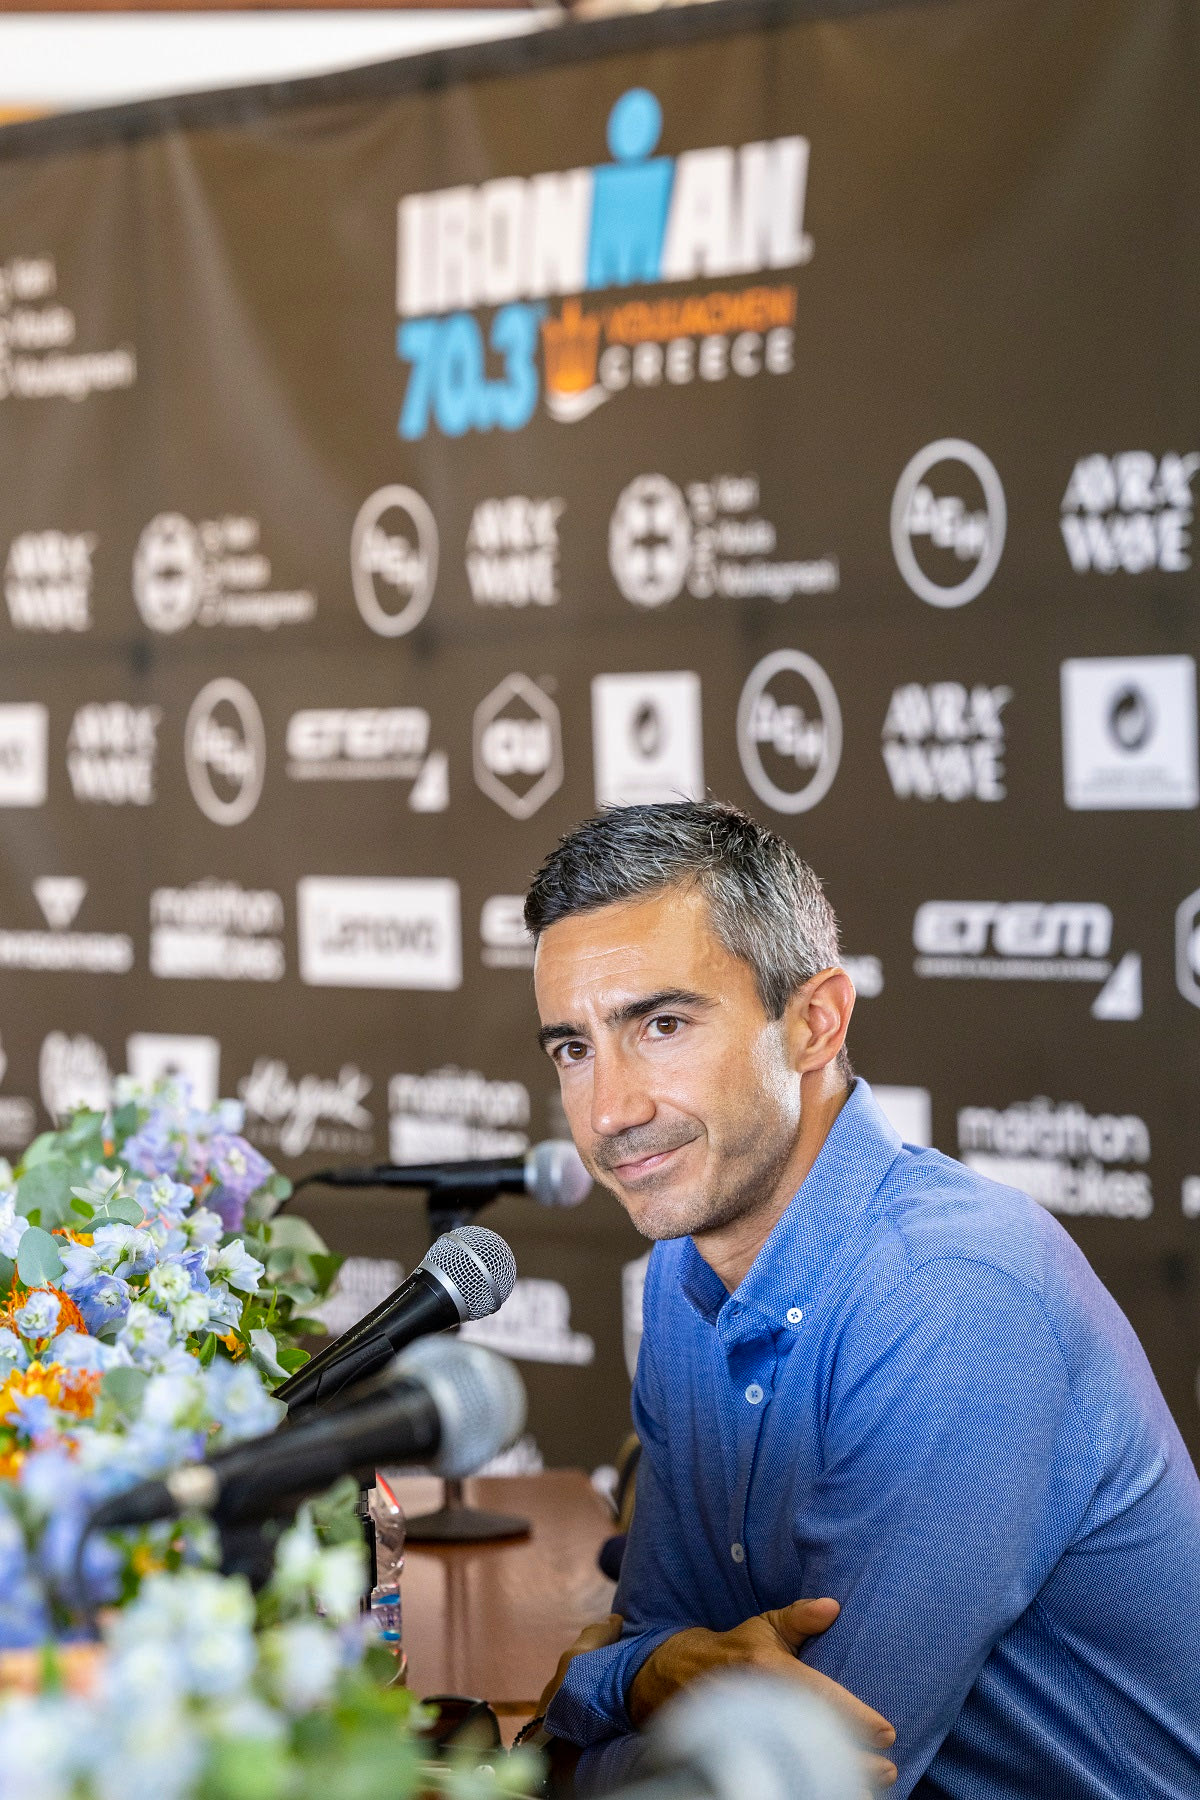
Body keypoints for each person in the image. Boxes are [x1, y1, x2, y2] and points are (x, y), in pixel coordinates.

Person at [524, 800, 1200, 1798]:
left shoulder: (950, 1299)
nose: (611, 1111)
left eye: (662, 1025)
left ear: (815, 1022)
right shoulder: (683, 1266)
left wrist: (593, 1699)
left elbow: (808, 1774)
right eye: (573, 1049)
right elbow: (667, 1637)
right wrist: (641, 1675)